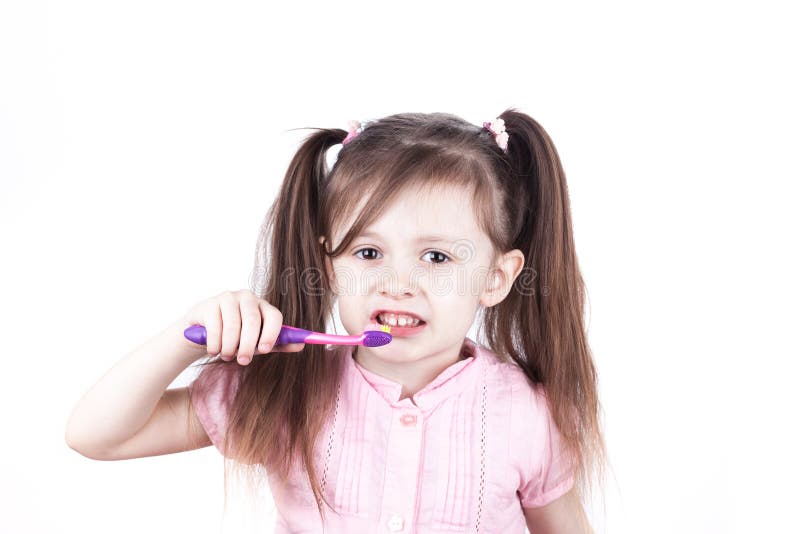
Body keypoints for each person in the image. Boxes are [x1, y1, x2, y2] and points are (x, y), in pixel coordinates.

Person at [65, 109, 607, 533]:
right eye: (368, 253)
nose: (397, 282)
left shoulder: (529, 413)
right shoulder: (288, 389)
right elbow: (96, 436)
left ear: (495, 276)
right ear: (329, 266)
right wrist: (186, 336)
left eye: (436, 257)